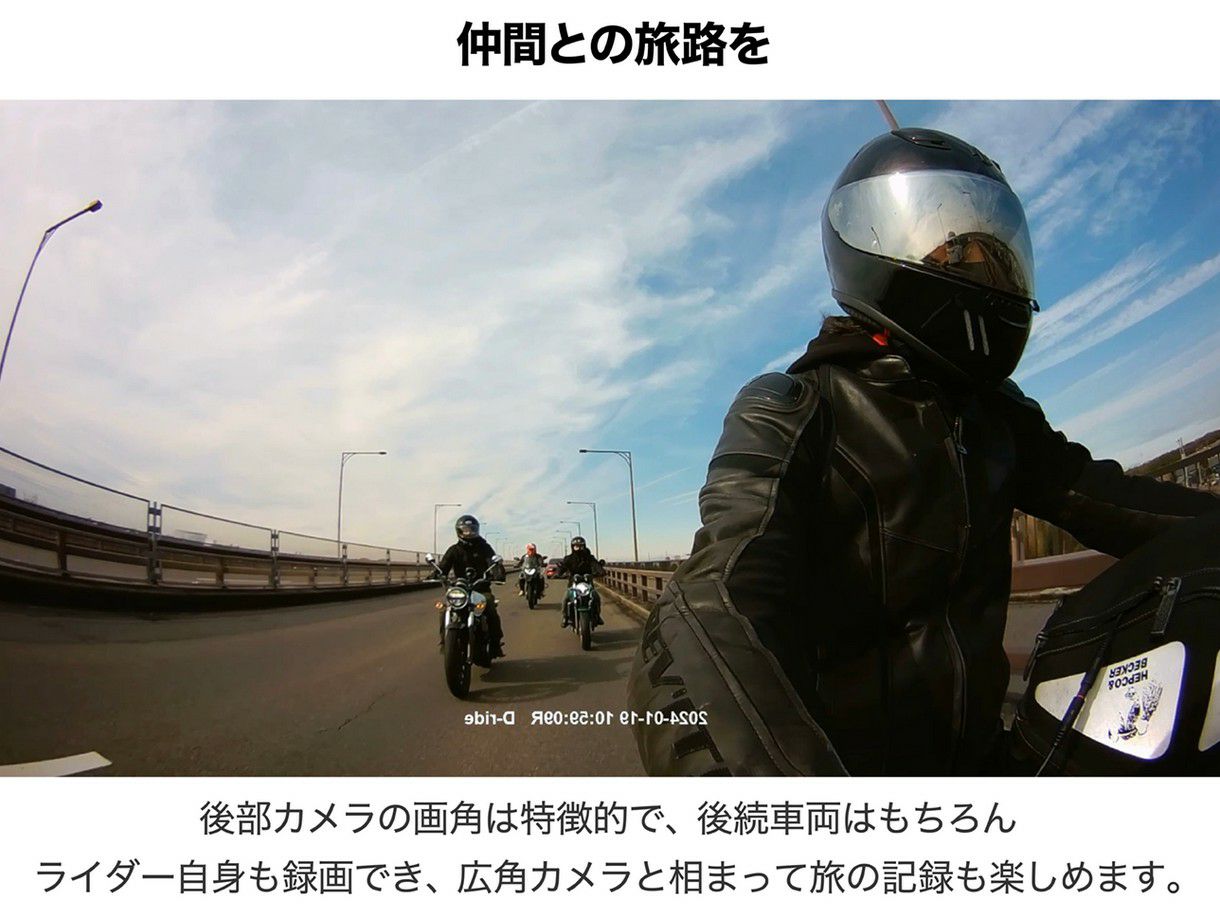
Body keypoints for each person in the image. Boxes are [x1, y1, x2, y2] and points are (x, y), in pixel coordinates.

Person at [626, 127, 1220, 777]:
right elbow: (714, 600)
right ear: (872, 244)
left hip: (986, 759)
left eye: (994, 251)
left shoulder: (994, 414)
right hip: (846, 774)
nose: (980, 269)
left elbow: (1110, 499)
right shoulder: (794, 408)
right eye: (955, 251)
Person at [436, 514, 506, 658]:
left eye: (472, 529)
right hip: (460, 589)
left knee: (490, 607)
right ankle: (444, 642)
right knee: (444, 610)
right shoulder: (454, 550)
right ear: (459, 531)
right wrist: (435, 574)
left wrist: (498, 573)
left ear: (477, 530)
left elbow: (492, 562)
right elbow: (443, 566)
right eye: (466, 530)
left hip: (480, 588)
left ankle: (495, 644)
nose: (469, 533)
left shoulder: (484, 547)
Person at [557, 536, 604, 628]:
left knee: (596, 597)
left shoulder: (589, 557)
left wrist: (601, 571)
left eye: (581, 546)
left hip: (587, 583)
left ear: (584, 546)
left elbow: (595, 564)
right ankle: (565, 617)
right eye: (576, 546)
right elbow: (563, 567)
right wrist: (559, 572)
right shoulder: (569, 558)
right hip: (573, 584)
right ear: (572, 547)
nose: (578, 548)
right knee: (566, 598)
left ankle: (597, 616)